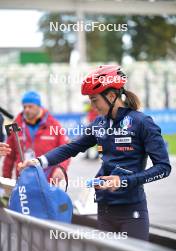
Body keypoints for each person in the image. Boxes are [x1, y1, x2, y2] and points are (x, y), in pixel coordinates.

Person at [18, 66, 171, 241]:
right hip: (104, 209)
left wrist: (124, 181)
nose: (92, 106)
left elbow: (163, 168)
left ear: (112, 96)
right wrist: (38, 161)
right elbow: (71, 147)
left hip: (131, 212)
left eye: (94, 100)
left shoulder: (142, 122)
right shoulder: (99, 123)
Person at [3, 91, 70, 182]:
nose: (26, 109)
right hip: (23, 181)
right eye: (24, 107)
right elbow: (9, 157)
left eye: (30, 106)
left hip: (48, 181)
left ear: (39, 106)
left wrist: (61, 168)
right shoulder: (14, 126)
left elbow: (66, 150)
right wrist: (6, 182)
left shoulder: (54, 125)